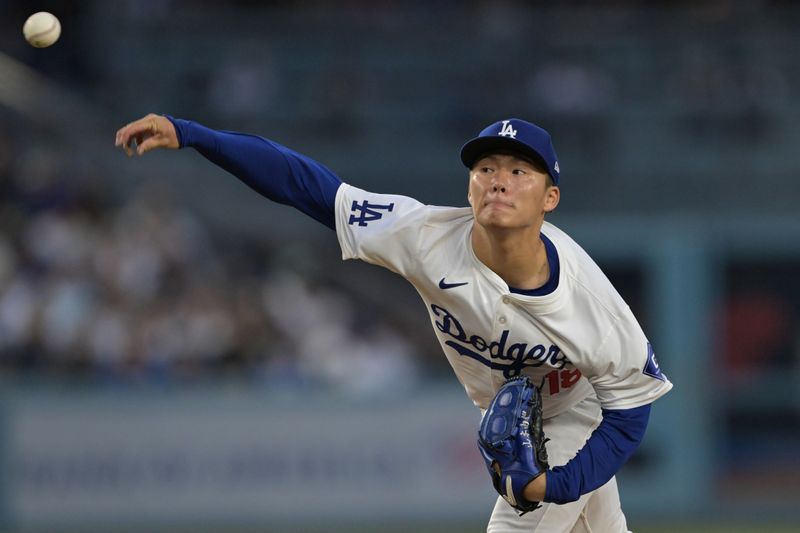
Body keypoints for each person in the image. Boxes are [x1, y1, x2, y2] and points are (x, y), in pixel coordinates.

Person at [115, 114, 672, 532]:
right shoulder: (424, 236)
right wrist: (191, 134)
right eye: (485, 168)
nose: (498, 180)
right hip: (517, 410)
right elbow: (308, 186)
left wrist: (557, 484)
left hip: (576, 412)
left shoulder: (589, 301)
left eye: (518, 170)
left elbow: (629, 412)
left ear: (550, 197)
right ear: (470, 186)